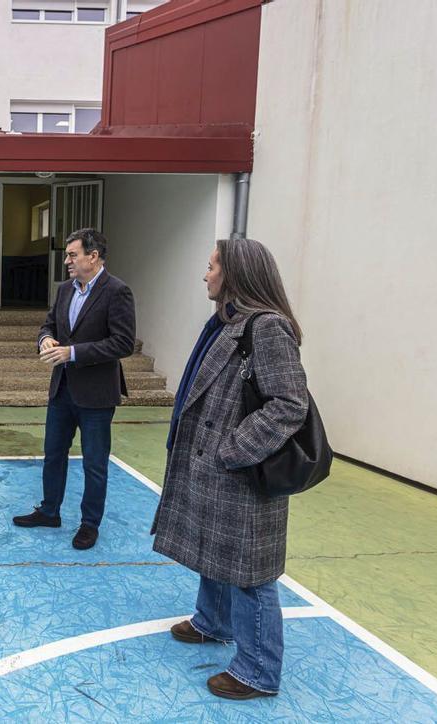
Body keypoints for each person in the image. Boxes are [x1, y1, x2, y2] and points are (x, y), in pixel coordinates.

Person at [152, 237, 309, 700]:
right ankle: (213, 621)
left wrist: (233, 448)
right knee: (215, 551)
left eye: (212, 266)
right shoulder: (230, 324)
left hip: (242, 473)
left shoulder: (267, 328)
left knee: (249, 572)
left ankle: (258, 670)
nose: (206, 274)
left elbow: (289, 403)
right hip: (221, 472)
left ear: (235, 274)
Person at [12, 228, 136, 550]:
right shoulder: (65, 289)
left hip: (96, 395)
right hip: (62, 389)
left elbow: (123, 343)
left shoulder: (117, 291)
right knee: (53, 454)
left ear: (93, 257)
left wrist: (73, 352)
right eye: (67, 255)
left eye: (72, 254)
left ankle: (89, 524)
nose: (67, 260)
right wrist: (46, 339)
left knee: (95, 463)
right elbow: (49, 323)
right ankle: (50, 511)